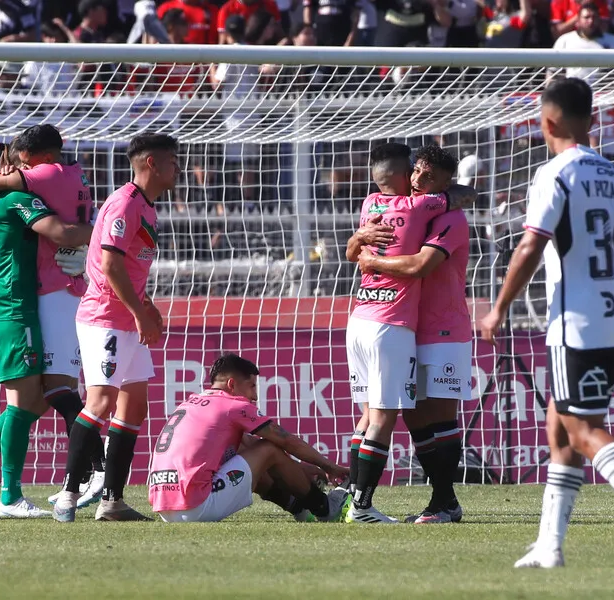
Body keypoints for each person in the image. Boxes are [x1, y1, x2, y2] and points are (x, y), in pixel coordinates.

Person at [480, 77, 614, 568]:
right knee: (559, 428)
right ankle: (549, 546)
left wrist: (498, 308)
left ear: (547, 122)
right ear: (592, 120)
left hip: (576, 322)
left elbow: (531, 245)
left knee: (580, 429)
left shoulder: (555, 173)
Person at [0, 152, 93, 519]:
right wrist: (106, 225)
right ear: (16, 165)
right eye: (28, 166)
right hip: (12, 306)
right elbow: (62, 233)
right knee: (22, 402)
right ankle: (9, 497)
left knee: (38, 400)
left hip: (12, 305)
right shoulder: (19, 198)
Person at [342, 143, 476, 523]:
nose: (418, 179)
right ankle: (442, 501)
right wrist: (359, 242)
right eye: (416, 170)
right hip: (404, 325)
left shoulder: (451, 218)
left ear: (444, 185)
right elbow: (353, 247)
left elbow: (420, 264)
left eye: (429, 177)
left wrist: (371, 260)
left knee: (441, 416)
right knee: (415, 417)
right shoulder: (394, 208)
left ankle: (444, 501)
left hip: (444, 329)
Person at [0, 125, 108, 510]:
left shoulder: (36, 181)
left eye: (20, 160)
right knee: (43, 396)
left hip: (47, 294)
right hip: (40, 296)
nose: (17, 167)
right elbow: (65, 231)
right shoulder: (70, 177)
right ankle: (83, 475)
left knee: (43, 396)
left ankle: (85, 474)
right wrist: (103, 233)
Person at [53, 133, 179, 523]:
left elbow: (130, 269)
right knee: (101, 402)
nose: (178, 168)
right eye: (173, 161)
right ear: (151, 164)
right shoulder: (125, 204)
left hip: (127, 317)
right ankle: (69, 494)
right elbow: (109, 266)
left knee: (134, 406)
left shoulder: (147, 207)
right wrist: (141, 314)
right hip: (105, 318)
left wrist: (147, 306)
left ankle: (112, 501)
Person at [149, 353, 350, 523]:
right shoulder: (234, 406)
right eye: (252, 386)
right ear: (231, 384)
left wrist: (299, 468)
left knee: (247, 452)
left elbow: (248, 447)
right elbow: (287, 441)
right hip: (195, 506)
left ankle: (299, 508)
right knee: (269, 449)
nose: (254, 396)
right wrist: (329, 467)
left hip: (164, 506)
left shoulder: (190, 403)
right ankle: (325, 508)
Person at [551, 3, 614, 84]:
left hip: (605, 93)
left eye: (594, 17)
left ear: (599, 19)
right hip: (572, 92)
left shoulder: (613, 41)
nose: (591, 21)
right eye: (586, 17)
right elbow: (552, 73)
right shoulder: (565, 40)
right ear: (578, 20)